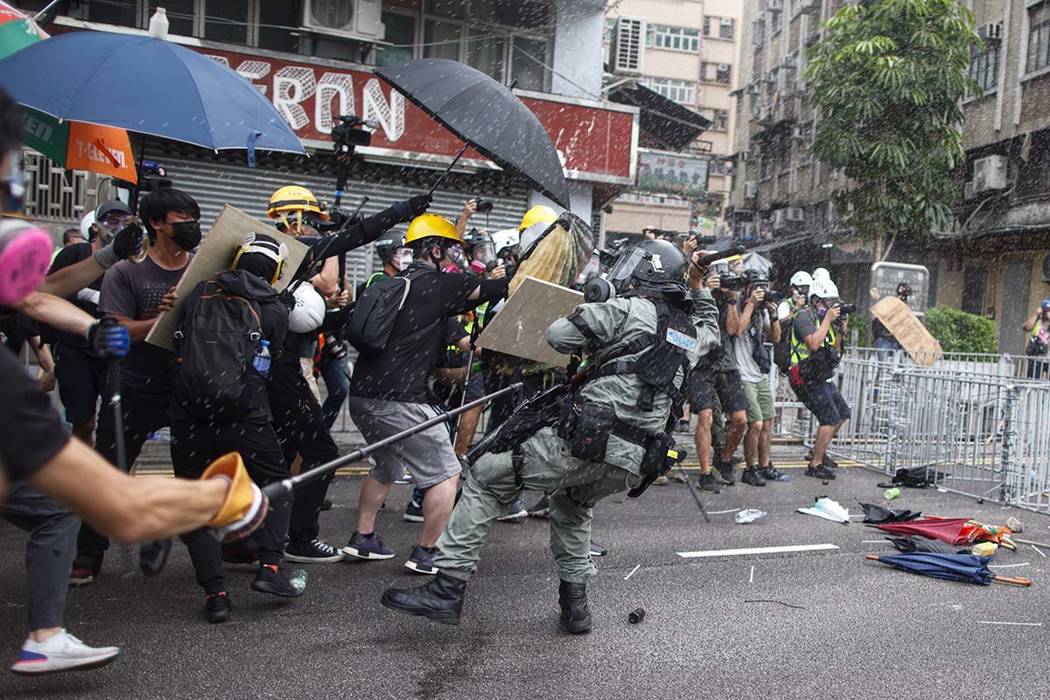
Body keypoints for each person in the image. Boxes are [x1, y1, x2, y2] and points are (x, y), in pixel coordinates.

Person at [379, 239, 719, 632]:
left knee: (487, 475)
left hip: (588, 440)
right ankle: (575, 608)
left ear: (643, 271)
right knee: (573, 504)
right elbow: (712, 326)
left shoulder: (623, 310)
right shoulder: (691, 332)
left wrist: (594, 302)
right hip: (635, 461)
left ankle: (447, 588)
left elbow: (559, 337)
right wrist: (698, 283)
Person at [264, 184, 431, 564]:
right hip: (280, 370)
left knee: (280, 453)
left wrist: (343, 316)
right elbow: (353, 238)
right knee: (319, 450)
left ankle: (259, 537)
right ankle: (297, 539)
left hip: (269, 368)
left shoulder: (267, 253)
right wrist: (401, 209)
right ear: (293, 219)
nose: (315, 228)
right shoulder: (285, 256)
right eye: (311, 221)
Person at [344, 213, 509, 575]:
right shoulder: (436, 284)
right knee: (446, 473)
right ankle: (427, 553)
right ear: (435, 250)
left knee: (385, 465)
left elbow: (457, 343)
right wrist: (512, 274)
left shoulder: (398, 285)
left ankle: (363, 538)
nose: (455, 259)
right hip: (401, 400)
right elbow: (495, 290)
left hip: (362, 396)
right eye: (451, 251)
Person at [168, 233, 304, 622]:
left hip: (189, 414)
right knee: (277, 484)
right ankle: (270, 569)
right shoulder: (274, 308)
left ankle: (216, 594)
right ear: (276, 270)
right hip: (245, 416)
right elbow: (271, 360)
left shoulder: (198, 292)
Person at [71, 187, 200, 585]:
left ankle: (216, 549)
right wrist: (161, 317)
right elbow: (117, 330)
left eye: (194, 220)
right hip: (136, 383)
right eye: (182, 221)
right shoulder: (126, 272)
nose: (191, 228)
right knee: (110, 467)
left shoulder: (200, 268)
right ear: (157, 224)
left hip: (188, 382)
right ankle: (89, 553)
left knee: (197, 470)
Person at [46, 202, 132, 445]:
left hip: (117, 351)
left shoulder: (133, 261)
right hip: (76, 349)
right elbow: (50, 290)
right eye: (112, 221)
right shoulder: (75, 254)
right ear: (96, 226)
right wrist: (93, 296)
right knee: (84, 422)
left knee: (117, 424)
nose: (118, 227)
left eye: (125, 222)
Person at [688, 263, 748, 488]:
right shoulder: (698, 294)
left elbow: (733, 330)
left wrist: (731, 300)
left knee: (740, 420)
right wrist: (705, 290)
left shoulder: (731, 300)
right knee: (705, 416)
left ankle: (723, 460)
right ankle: (705, 474)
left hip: (727, 364)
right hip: (702, 364)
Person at [789, 277, 849, 479]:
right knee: (829, 417)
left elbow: (835, 352)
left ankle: (818, 453)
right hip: (803, 376)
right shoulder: (804, 317)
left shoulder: (828, 321)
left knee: (842, 412)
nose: (832, 307)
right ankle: (815, 464)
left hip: (820, 375)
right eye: (827, 302)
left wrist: (841, 329)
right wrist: (827, 320)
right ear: (816, 301)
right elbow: (813, 344)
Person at [731, 271, 784, 488]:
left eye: (763, 287)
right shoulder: (739, 306)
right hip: (743, 374)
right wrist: (751, 304)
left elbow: (776, 338)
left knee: (768, 422)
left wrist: (773, 315)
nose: (761, 291)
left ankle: (764, 465)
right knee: (755, 424)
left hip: (760, 374)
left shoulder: (761, 311)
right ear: (747, 288)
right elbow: (738, 330)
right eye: (756, 287)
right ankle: (749, 468)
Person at [1023, 298, 1050, 380]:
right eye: (1046, 309)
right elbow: (1026, 328)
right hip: (1036, 357)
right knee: (1033, 382)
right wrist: (1036, 314)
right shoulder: (1038, 319)